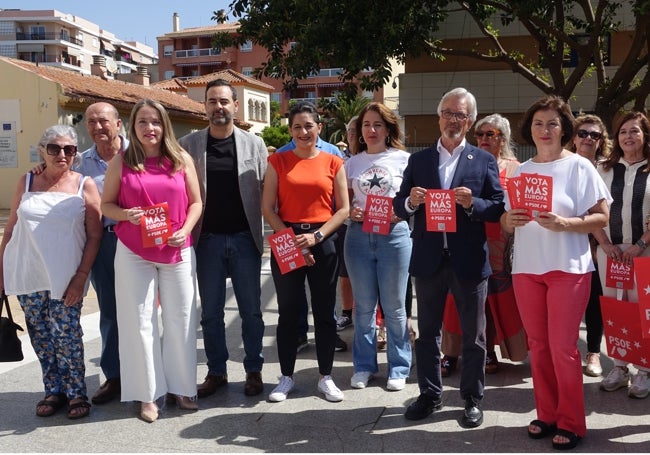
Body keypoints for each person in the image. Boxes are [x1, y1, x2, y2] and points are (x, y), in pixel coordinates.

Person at [501, 95, 611, 450]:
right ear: (529, 129)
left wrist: (566, 223)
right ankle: (546, 414)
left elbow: (601, 216)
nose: (544, 130)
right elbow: (506, 221)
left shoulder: (580, 167)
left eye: (552, 123)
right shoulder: (522, 170)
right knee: (539, 345)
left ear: (564, 128)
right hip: (527, 269)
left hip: (568, 268)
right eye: (538, 123)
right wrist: (508, 219)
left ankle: (572, 422)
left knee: (564, 347)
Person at [394, 87, 504, 428]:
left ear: (469, 121)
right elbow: (399, 206)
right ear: (438, 117)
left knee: (474, 336)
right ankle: (429, 394)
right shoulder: (419, 160)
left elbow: (498, 206)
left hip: (468, 260)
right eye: (447, 113)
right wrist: (411, 202)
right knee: (427, 334)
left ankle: (471, 397)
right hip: (429, 259)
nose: (452, 120)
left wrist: (474, 204)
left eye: (459, 115)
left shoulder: (483, 160)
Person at [101, 99, 203, 423]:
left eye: (155, 122)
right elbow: (106, 205)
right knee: (138, 322)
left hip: (177, 249)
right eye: (142, 122)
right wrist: (125, 215)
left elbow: (196, 203)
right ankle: (148, 394)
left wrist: (185, 229)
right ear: (132, 127)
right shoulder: (121, 162)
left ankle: (182, 387)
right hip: (133, 251)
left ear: (164, 126)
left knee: (181, 319)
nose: (150, 129)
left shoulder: (181, 158)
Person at [0, 125, 103, 419]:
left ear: (75, 153)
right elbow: (10, 230)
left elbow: (95, 235)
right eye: (55, 148)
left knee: (67, 335)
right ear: (42, 150)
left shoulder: (85, 185)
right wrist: (1, 271)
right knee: (41, 336)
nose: (62, 154)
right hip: (27, 272)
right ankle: (53, 390)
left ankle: (76, 393)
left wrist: (81, 277)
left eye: (69, 149)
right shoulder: (27, 180)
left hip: (66, 276)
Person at [178, 79, 267, 398]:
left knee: (252, 311)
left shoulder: (254, 145)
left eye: (224, 101)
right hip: (207, 241)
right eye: (212, 101)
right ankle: (217, 371)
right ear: (205, 106)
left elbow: (267, 190)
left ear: (236, 105)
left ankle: (253, 369)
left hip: (245, 240)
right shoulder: (188, 145)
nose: (219, 107)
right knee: (211, 313)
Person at [262, 101, 350, 403]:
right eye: (297, 126)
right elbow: (267, 208)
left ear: (319, 128)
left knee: (325, 312)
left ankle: (326, 376)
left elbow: (343, 209)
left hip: (322, 239)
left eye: (308, 126)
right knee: (288, 312)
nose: (303, 131)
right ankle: (286, 376)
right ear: (290, 130)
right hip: (287, 239)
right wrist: (291, 239)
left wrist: (316, 237)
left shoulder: (333, 162)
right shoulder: (278, 162)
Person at [440, 114, 528, 375]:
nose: (484, 139)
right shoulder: (467, 162)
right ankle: (450, 353)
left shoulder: (516, 168)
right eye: (480, 134)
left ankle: (487, 349)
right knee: (455, 297)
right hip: (467, 238)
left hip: (501, 243)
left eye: (491, 134)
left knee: (490, 300)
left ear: (503, 137)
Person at [344, 102, 412, 391]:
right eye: (366, 125)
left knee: (395, 307)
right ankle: (363, 366)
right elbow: (343, 203)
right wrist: (350, 212)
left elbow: (412, 200)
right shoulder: (351, 163)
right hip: (358, 238)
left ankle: (399, 366)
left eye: (377, 125)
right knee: (363, 308)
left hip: (394, 236)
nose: (371, 130)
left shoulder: (404, 160)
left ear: (388, 128)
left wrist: (403, 211)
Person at [593, 111, 650, 398]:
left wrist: (640, 244)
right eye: (623, 131)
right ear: (617, 137)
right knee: (615, 309)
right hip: (611, 253)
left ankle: (644, 370)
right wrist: (604, 244)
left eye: (635, 131)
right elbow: (590, 209)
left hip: (645, 252)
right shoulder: (603, 168)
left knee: (642, 311)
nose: (629, 136)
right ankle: (618, 365)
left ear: (645, 136)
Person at [77, 102, 128, 404]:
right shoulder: (80, 163)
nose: (98, 127)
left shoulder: (138, 156)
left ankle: (146, 374)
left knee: (141, 311)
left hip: (136, 240)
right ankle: (114, 376)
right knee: (110, 311)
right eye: (91, 122)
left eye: (103, 121)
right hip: (103, 242)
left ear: (118, 124)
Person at [570, 114, 612, 378]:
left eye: (594, 135)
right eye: (583, 133)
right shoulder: (563, 165)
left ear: (601, 141)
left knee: (596, 300)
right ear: (573, 137)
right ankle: (567, 351)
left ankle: (593, 351)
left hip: (603, 246)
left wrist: (602, 245)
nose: (588, 139)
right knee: (570, 301)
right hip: (571, 242)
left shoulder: (608, 168)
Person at [335, 116, 359, 333]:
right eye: (349, 130)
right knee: (345, 272)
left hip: (374, 226)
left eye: (355, 130)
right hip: (344, 224)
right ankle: (345, 313)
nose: (352, 134)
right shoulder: (340, 159)